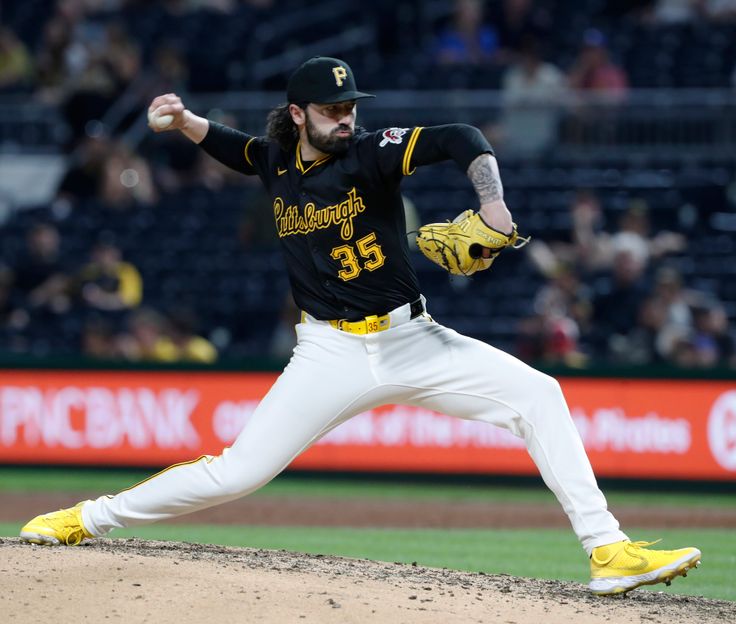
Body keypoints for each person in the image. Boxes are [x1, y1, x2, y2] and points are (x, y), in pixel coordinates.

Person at [20, 56, 700, 596]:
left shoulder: (371, 153)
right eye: (331, 109)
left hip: (415, 340)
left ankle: (608, 551)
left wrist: (491, 204)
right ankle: (87, 518)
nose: (346, 118)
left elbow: (462, 140)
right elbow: (239, 150)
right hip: (328, 353)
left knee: (539, 395)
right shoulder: (277, 161)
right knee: (235, 475)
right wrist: (187, 120)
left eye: (350, 106)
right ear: (298, 114)